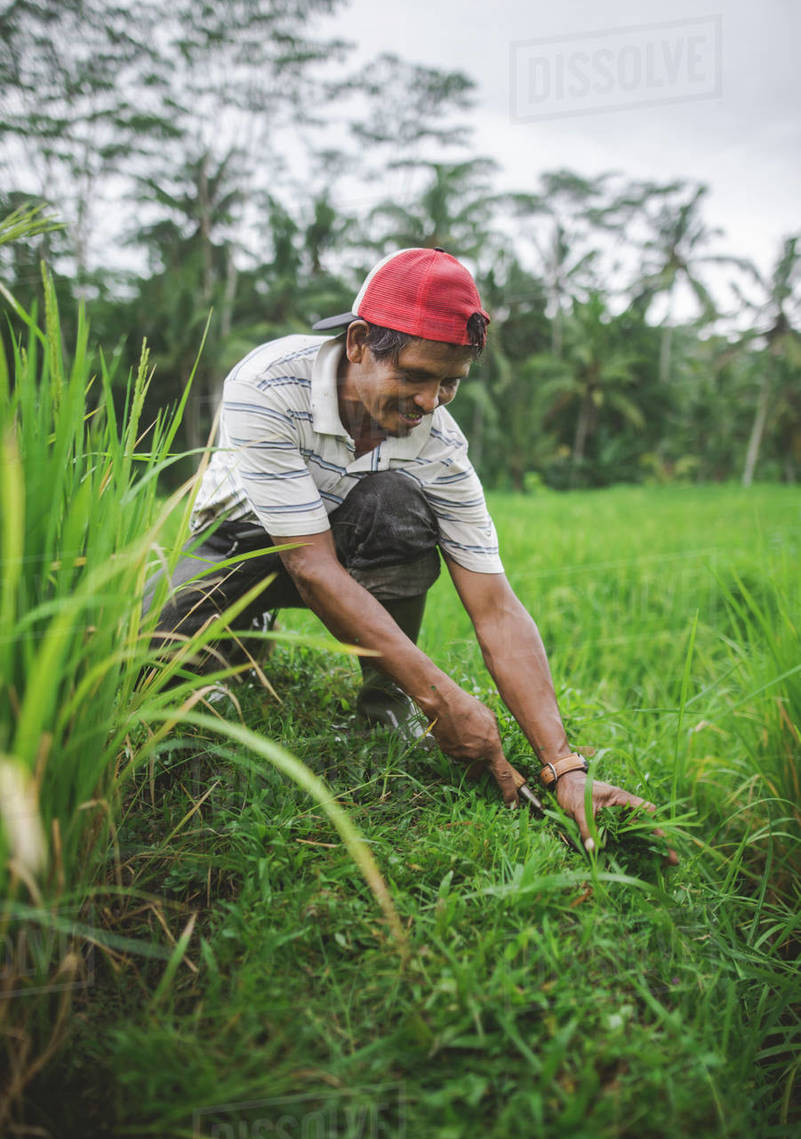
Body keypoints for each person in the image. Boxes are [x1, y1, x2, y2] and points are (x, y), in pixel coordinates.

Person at [149, 247, 674, 857]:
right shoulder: (267, 383)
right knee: (157, 676)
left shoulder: (440, 447)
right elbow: (309, 565)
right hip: (237, 542)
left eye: (450, 381)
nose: (432, 400)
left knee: (395, 502)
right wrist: (443, 697)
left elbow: (496, 608)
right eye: (417, 376)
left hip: (343, 550)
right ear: (358, 343)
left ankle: (383, 706)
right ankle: (246, 626)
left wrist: (564, 766)